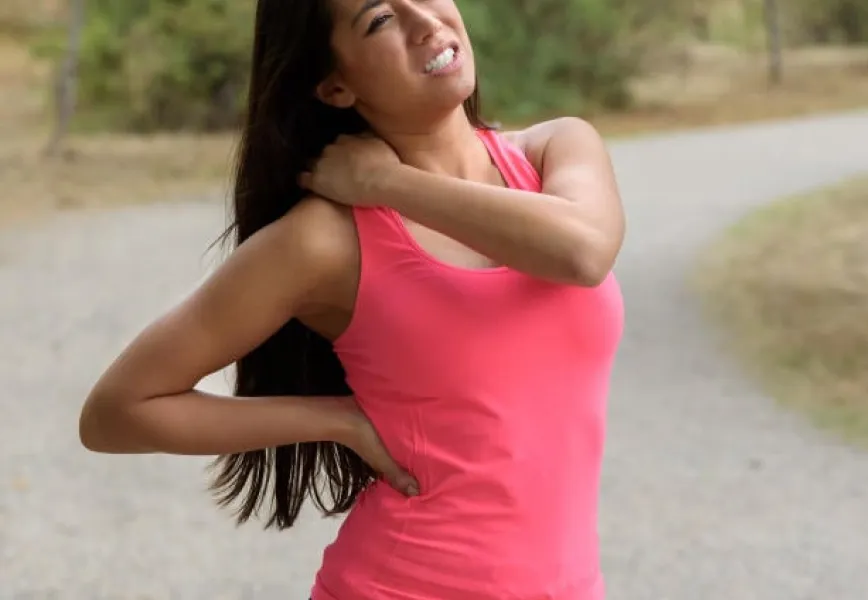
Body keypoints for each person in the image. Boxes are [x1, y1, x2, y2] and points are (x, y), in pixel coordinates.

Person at [76, 0, 626, 598]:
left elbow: (584, 251)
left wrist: (390, 184)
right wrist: (335, 420)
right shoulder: (326, 241)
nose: (426, 21)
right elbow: (117, 411)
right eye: (380, 20)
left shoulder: (553, 153)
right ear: (335, 85)